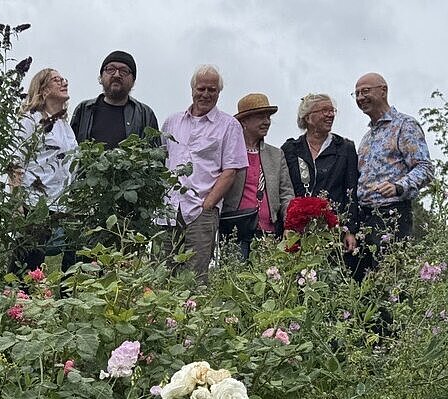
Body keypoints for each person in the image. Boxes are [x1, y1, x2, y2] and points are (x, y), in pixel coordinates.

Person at [160, 65, 248, 283]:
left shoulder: (229, 125)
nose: (206, 94)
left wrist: (207, 205)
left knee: (195, 277)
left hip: (201, 210)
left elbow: (231, 170)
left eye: (212, 90)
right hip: (168, 209)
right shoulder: (172, 121)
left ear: (219, 92)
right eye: (201, 89)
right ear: (192, 89)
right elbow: (162, 159)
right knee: (160, 272)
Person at [353, 72, 434, 277]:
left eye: (365, 91)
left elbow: (425, 168)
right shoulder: (366, 137)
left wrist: (399, 185)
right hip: (365, 218)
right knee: (365, 286)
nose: (360, 97)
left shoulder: (404, 125)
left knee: (390, 282)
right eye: (356, 94)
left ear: (383, 91)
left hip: (392, 215)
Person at [10, 68, 79, 272]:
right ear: (43, 89)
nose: (63, 83)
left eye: (64, 79)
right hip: (35, 205)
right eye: (56, 80)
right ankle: (15, 302)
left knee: (53, 268)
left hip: (60, 206)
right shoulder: (30, 120)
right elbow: (15, 163)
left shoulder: (64, 125)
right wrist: (16, 206)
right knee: (26, 269)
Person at [281, 93, 360, 254]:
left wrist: (350, 230)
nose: (330, 114)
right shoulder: (291, 149)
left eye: (332, 110)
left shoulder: (344, 148)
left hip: (333, 231)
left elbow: (351, 190)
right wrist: (288, 224)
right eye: (324, 110)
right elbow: (284, 190)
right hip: (298, 231)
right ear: (308, 117)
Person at [219, 93, 294, 258]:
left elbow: (286, 193)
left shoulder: (276, 154)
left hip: (269, 233)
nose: (267, 121)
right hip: (235, 232)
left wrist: (289, 223)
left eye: (268, 117)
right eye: (261, 117)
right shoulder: (228, 152)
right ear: (244, 121)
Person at [70, 50, 159, 148]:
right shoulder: (84, 110)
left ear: (133, 81)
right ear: (101, 77)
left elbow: (155, 157)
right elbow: (69, 149)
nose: (116, 75)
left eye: (124, 71)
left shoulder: (145, 114)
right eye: (110, 69)